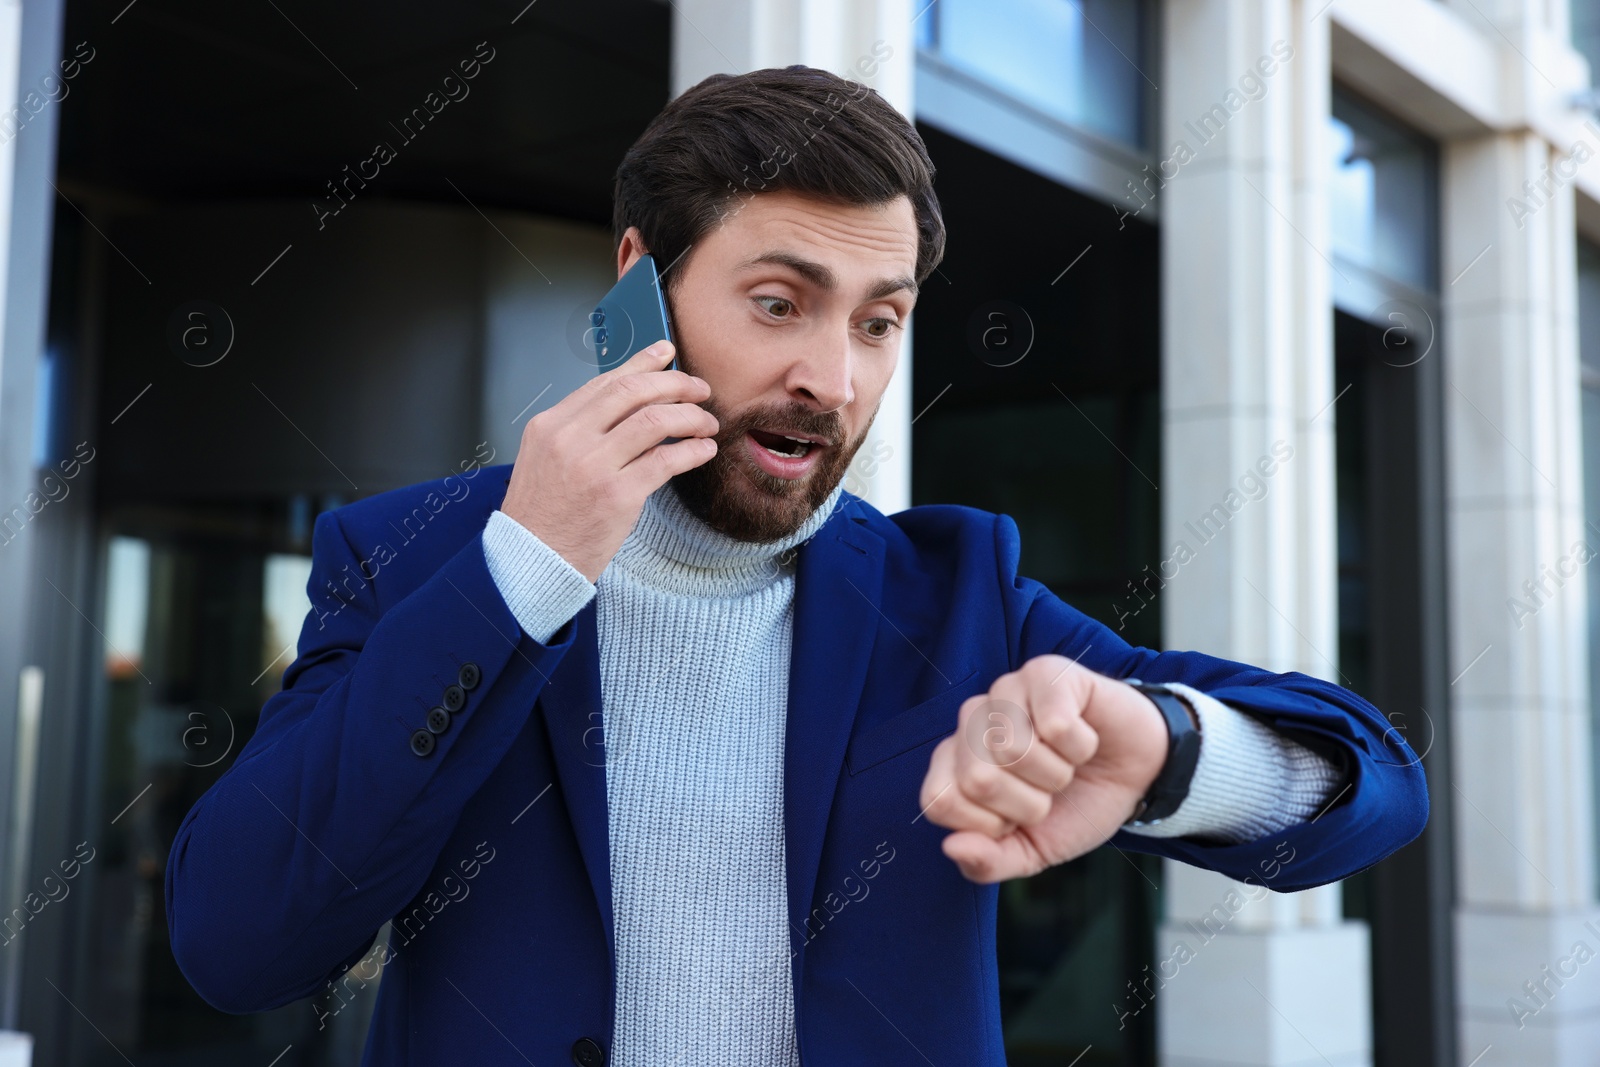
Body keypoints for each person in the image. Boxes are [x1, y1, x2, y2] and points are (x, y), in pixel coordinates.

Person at [165, 64, 1427, 1067]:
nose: (832, 377)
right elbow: (237, 941)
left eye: (878, 322)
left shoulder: (960, 596)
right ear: (639, 286)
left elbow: (1372, 789)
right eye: (779, 302)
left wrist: (1158, 748)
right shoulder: (416, 557)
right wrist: (520, 574)